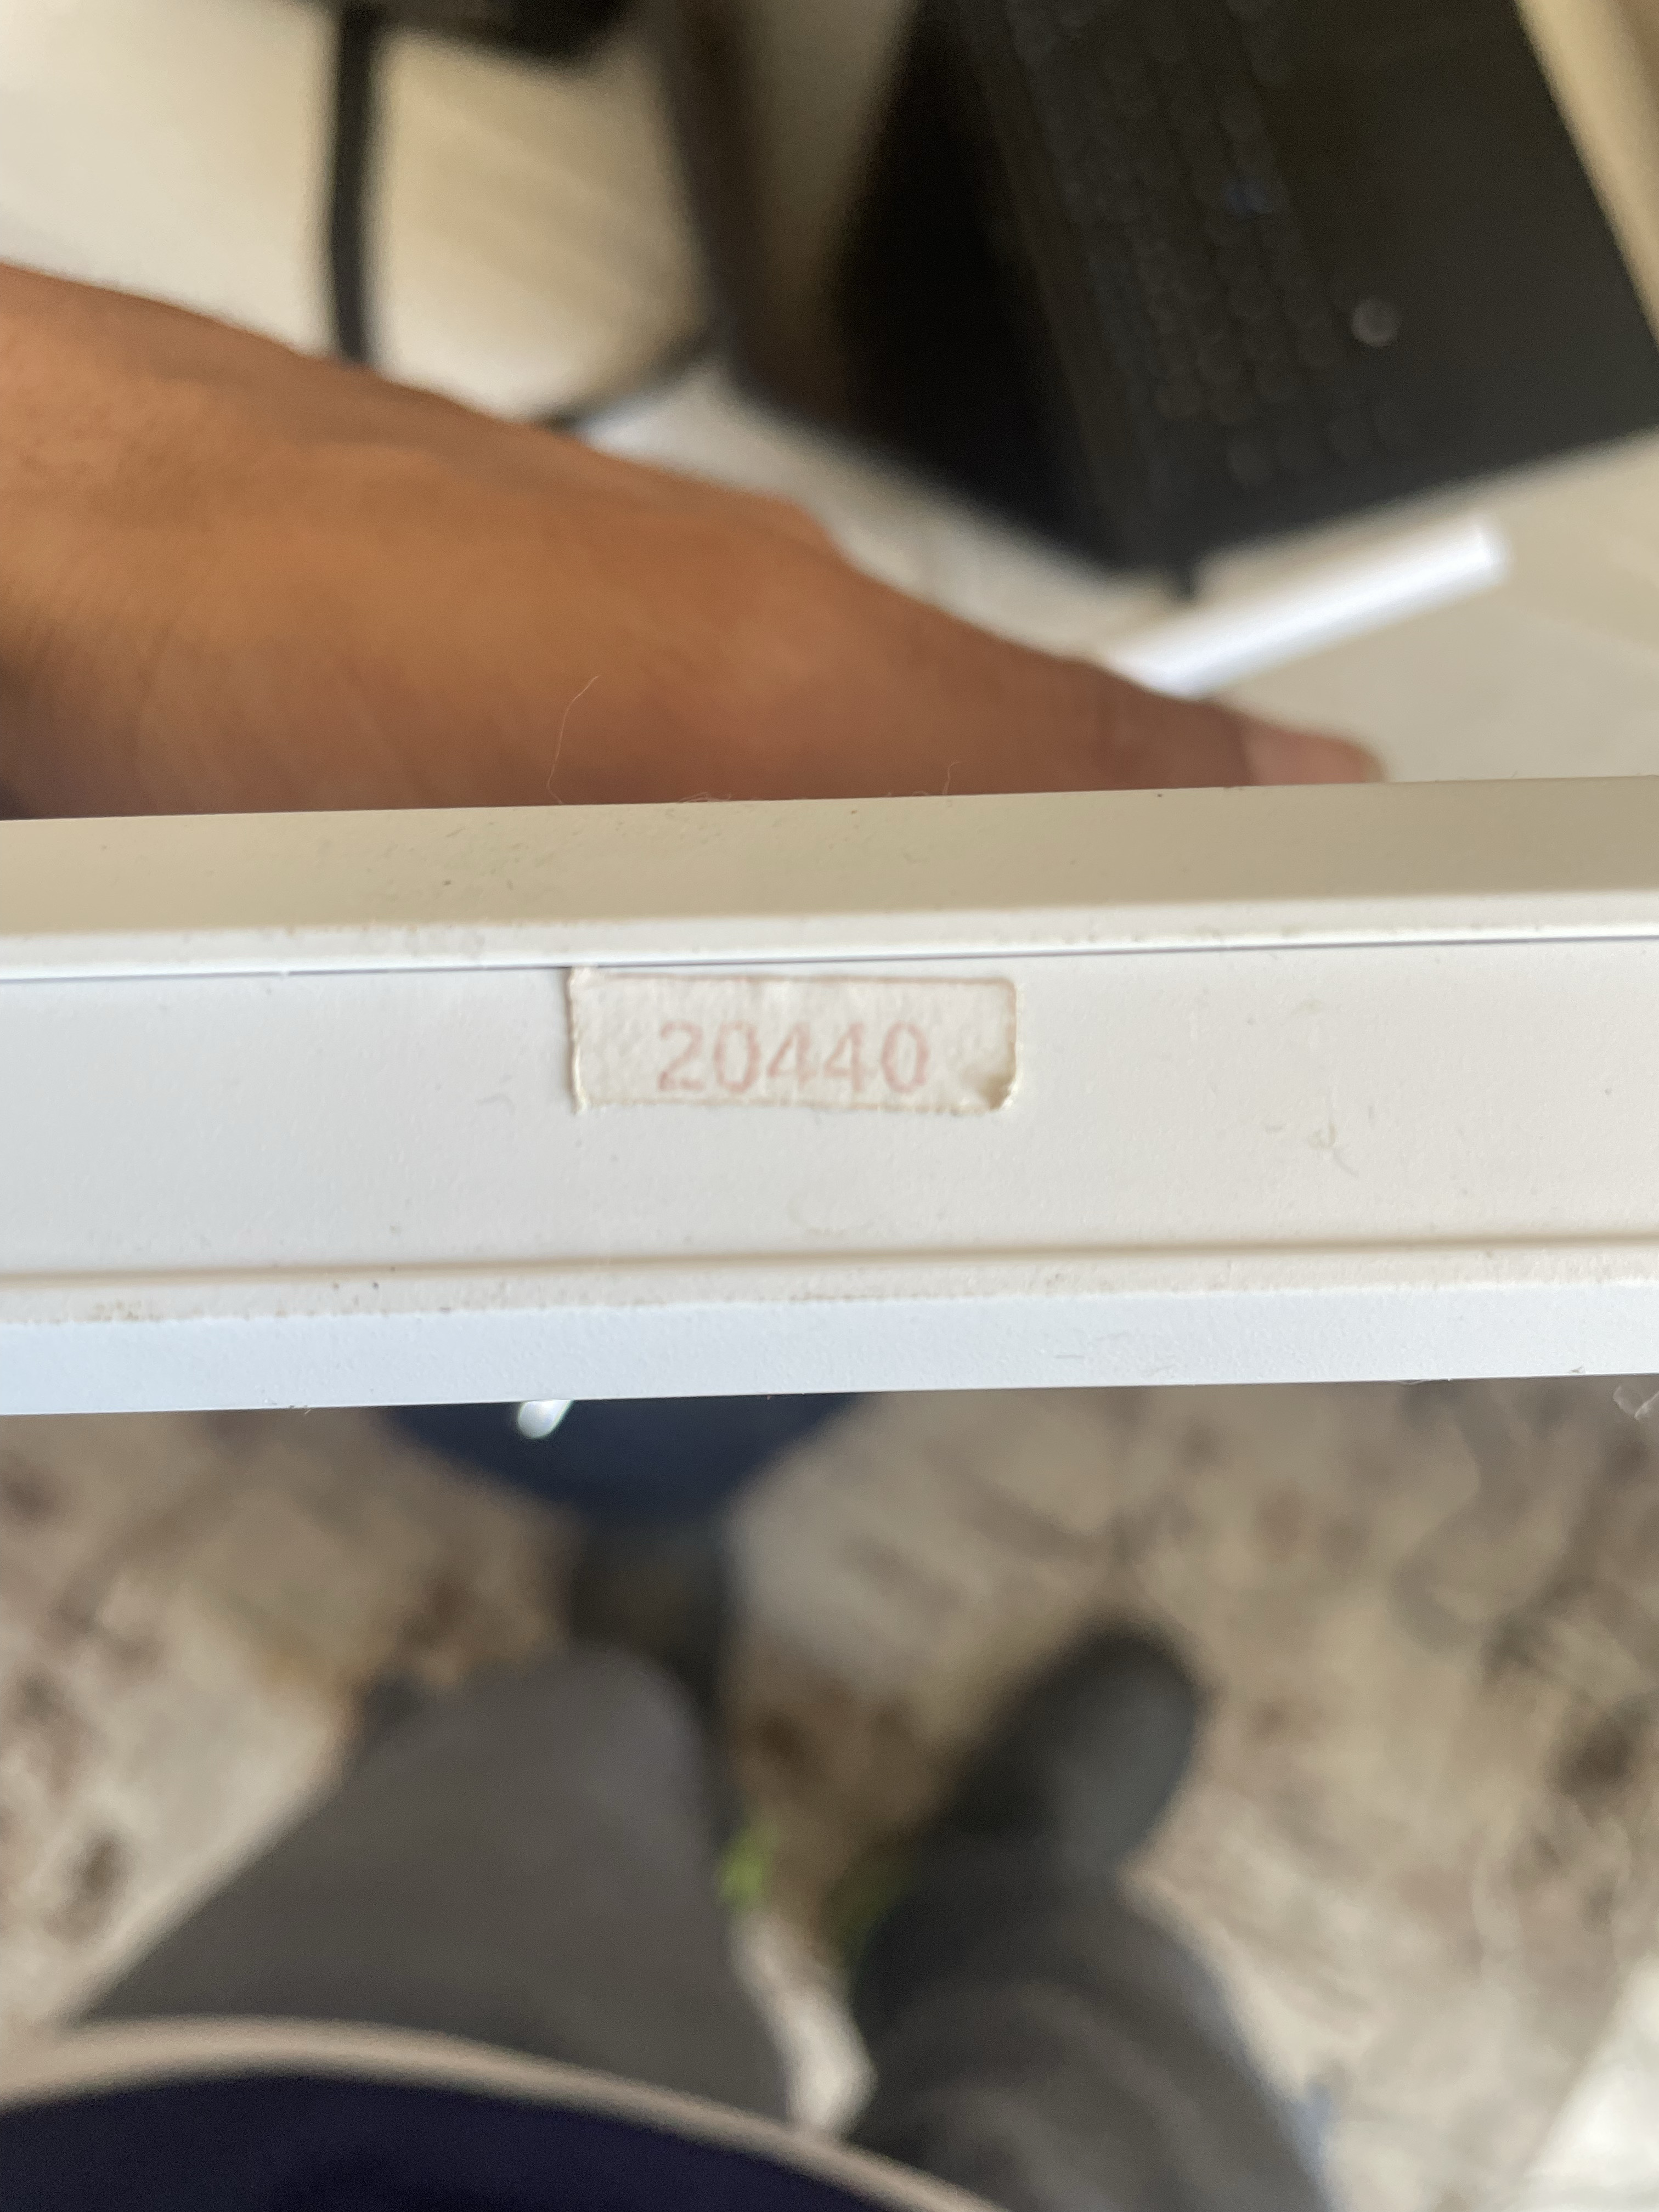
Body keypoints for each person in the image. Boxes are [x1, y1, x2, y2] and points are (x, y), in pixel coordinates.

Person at [0, 259, 1362, 2211]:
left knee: (515, 1829)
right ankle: (998, 1901)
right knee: (1118, 2064)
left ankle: (643, 1745)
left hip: (284, 2140)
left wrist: (62, 475)